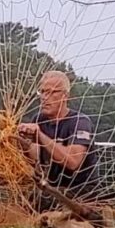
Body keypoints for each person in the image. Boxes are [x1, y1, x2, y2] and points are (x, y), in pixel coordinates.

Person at [17, 70, 99, 207]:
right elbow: (36, 157)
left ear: (65, 96)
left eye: (52, 92)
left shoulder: (80, 122)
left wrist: (40, 137)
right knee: (24, 203)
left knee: (45, 204)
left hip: (82, 189)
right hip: (51, 187)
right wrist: (23, 145)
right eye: (42, 92)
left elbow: (73, 162)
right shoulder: (39, 119)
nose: (45, 97)